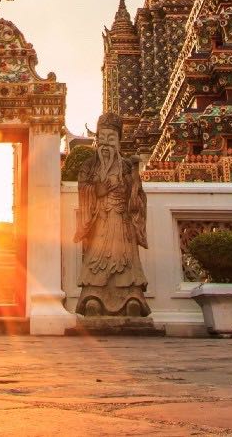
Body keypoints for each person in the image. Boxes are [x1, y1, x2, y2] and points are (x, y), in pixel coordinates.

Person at [75, 112, 150, 317]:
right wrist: (100, 189)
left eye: (111, 139)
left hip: (122, 220)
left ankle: (132, 299)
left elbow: (137, 198)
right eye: (102, 139)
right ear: (97, 139)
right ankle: (93, 298)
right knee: (97, 260)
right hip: (100, 220)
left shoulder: (126, 166)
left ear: (119, 141)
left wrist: (134, 177)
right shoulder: (89, 166)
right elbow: (84, 190)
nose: (106, 144)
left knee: (126, 261)